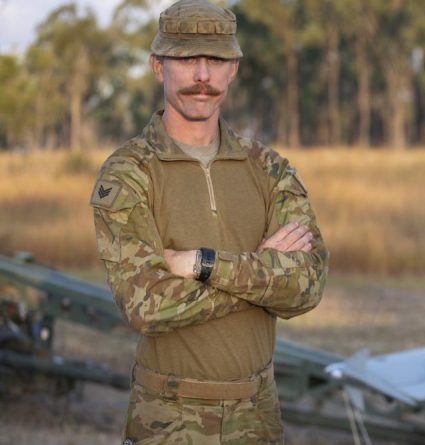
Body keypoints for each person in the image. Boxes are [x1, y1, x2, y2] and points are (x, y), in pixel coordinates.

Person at [89, 1, 328, 443]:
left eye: (215, 60)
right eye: (186, 59)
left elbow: (308, 286)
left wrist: (203, 264)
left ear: (233, 69)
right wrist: (263, 270)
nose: (202, 76)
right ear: (158, 67)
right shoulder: (128, 174)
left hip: (259, 416)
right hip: (167, 417)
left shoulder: (268, 168)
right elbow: (148, 306)